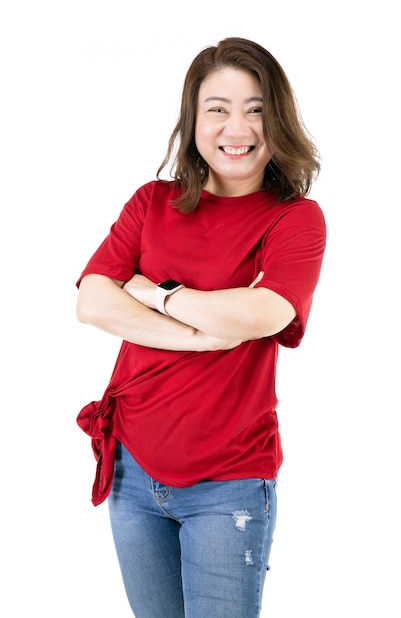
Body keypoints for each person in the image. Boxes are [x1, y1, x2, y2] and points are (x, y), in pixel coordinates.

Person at [75, 36, 326, 618]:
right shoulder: (151, 203)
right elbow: (92, 301)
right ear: (193, 121)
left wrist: (154, 292)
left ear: (278, 120)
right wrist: (202, 332)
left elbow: (265, 313)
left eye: (256, 108)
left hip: (229, 481)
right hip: (133, 470)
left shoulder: (294, 218)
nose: (236, 126)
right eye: (217, 108)